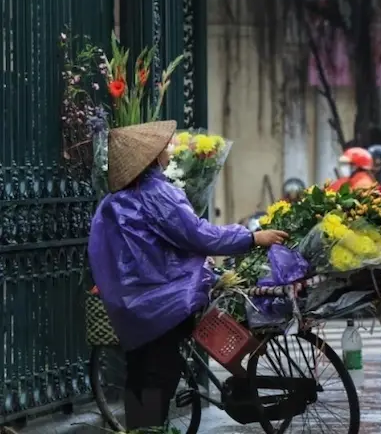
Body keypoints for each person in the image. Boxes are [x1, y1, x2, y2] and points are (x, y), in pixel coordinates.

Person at [88, 120, 288, 431]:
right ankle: (150, 430)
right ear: (152, 157)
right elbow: (198, 235)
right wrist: (251, 238)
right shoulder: (157, 193)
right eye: (164, 147)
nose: (169, 149)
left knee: (139, 373)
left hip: (131, 305)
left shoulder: (111, 203)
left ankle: (140, 429)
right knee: (159, 376)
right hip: (164, 302)